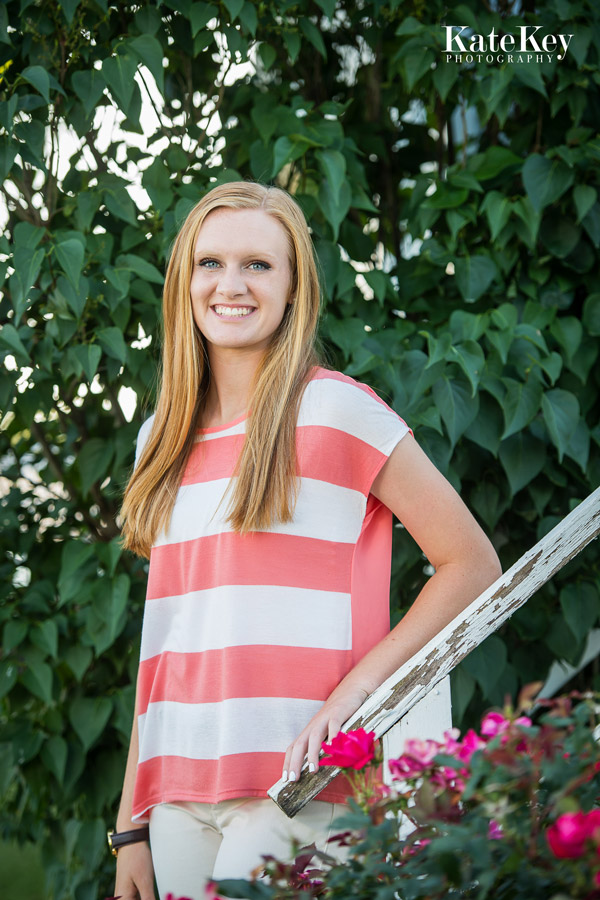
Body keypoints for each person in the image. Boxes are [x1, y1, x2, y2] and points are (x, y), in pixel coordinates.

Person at [113, 181, 501, 900]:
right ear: (183, 282)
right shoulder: (158, 441)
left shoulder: (335, 411)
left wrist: (355, 693)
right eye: (211, 263)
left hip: (297, 785)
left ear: (294, 289)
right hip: (175, 796)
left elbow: (472, 564)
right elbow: (164, 641)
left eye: (259, 265)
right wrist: (130, 822)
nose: (231, 285)